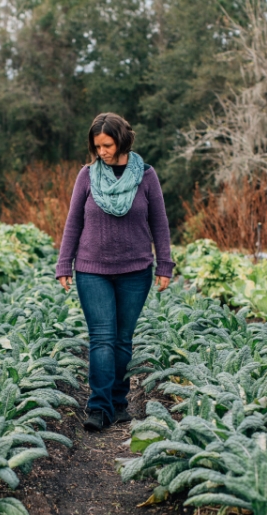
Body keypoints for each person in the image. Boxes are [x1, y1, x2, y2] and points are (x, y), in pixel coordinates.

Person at [56, 112, 174, 431]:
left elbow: (159, 224)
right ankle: (99, 407)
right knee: (102, 338)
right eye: (97, 147)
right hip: (92, 270)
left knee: (123, 340)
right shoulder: (87, 175)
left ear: (121, 140)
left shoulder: (146, 176)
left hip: (135, 270)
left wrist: (165, 264)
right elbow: (73, 223)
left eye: (107, 145)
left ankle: (119, 401)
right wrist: (63, 264)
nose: (102, 152)